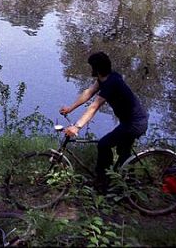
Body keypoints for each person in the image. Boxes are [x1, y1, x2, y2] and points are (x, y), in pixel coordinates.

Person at [59, 51, 149, 193]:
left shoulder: (112, 83)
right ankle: (126, 186)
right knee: (123, 152)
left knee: (103, 145)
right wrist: (70, 108)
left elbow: (94, 106)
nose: (90, 70)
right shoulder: (107, 78)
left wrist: (77, 126)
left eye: (91, 67)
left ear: (96, 69)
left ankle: (102, 183)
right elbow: (89, 92)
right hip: (131, 121)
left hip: (134, 124)